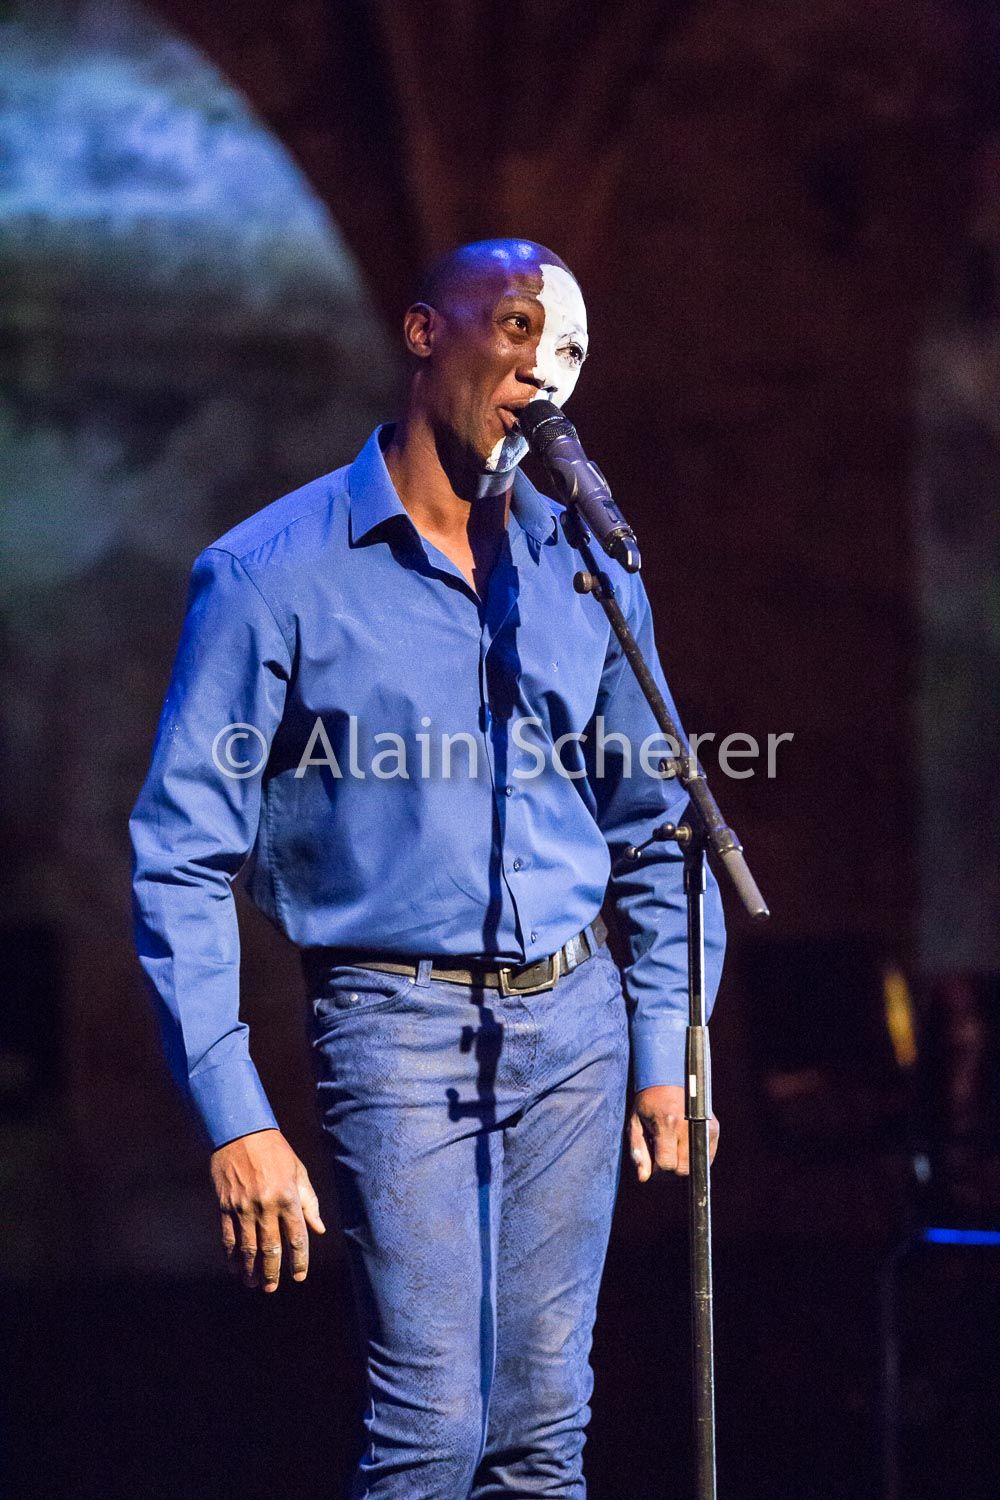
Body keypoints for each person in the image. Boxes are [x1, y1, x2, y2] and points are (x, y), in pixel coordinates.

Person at [129, 236, 726, 1496]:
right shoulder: (270, 575)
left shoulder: (587, 568)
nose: (543, 371)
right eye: (516, 329)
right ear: (422, 333)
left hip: (575, 1025)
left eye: (568, 350)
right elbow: (180, 856)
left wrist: (665, 1042)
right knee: (435, 1431)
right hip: (393, 1026)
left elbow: (660, 824)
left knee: (542, 1437)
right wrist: (236, 1113)